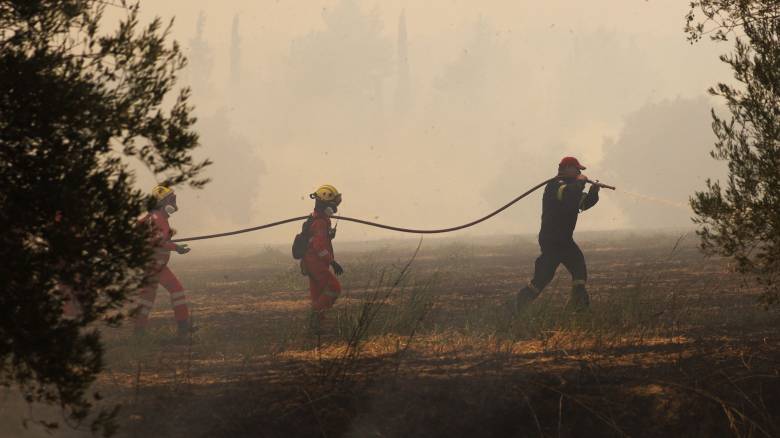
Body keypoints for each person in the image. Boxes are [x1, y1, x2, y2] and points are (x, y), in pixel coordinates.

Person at [516, 157, 600, 312]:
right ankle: (513, 308)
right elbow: (569, 196)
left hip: (564, 240)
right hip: (553, 240)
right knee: (542, 279)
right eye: (577, 169)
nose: (579, 173)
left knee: (579, 270)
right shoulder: (556, 186)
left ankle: (578, 307)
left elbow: (581, 204)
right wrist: (580, 182)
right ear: (567, 168)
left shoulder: (570, 187)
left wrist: (593, 193)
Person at [134, 185, 192, 337]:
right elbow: (156, 242)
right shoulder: (158, 218)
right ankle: (183, 328)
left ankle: (139, 332)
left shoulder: (156, 217)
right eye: (171, 199)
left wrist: (171, 240)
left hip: (153, 265)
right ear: (162, 202)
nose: (174, 202)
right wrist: (176, 247)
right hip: (154, 266)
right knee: (176, 290)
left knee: (147, 298)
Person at [301, 184, 344, 328]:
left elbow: (318, 241)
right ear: (324, 203)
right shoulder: (319, 222)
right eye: (333, 205)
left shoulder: (319, 219)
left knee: (318, 294)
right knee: (334, 288)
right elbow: (319, 247)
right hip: (316, 263)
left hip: (311, 262)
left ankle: (317, 326)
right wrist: (332, 262)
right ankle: (314, 315)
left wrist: (329, 236)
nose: (335, 209)